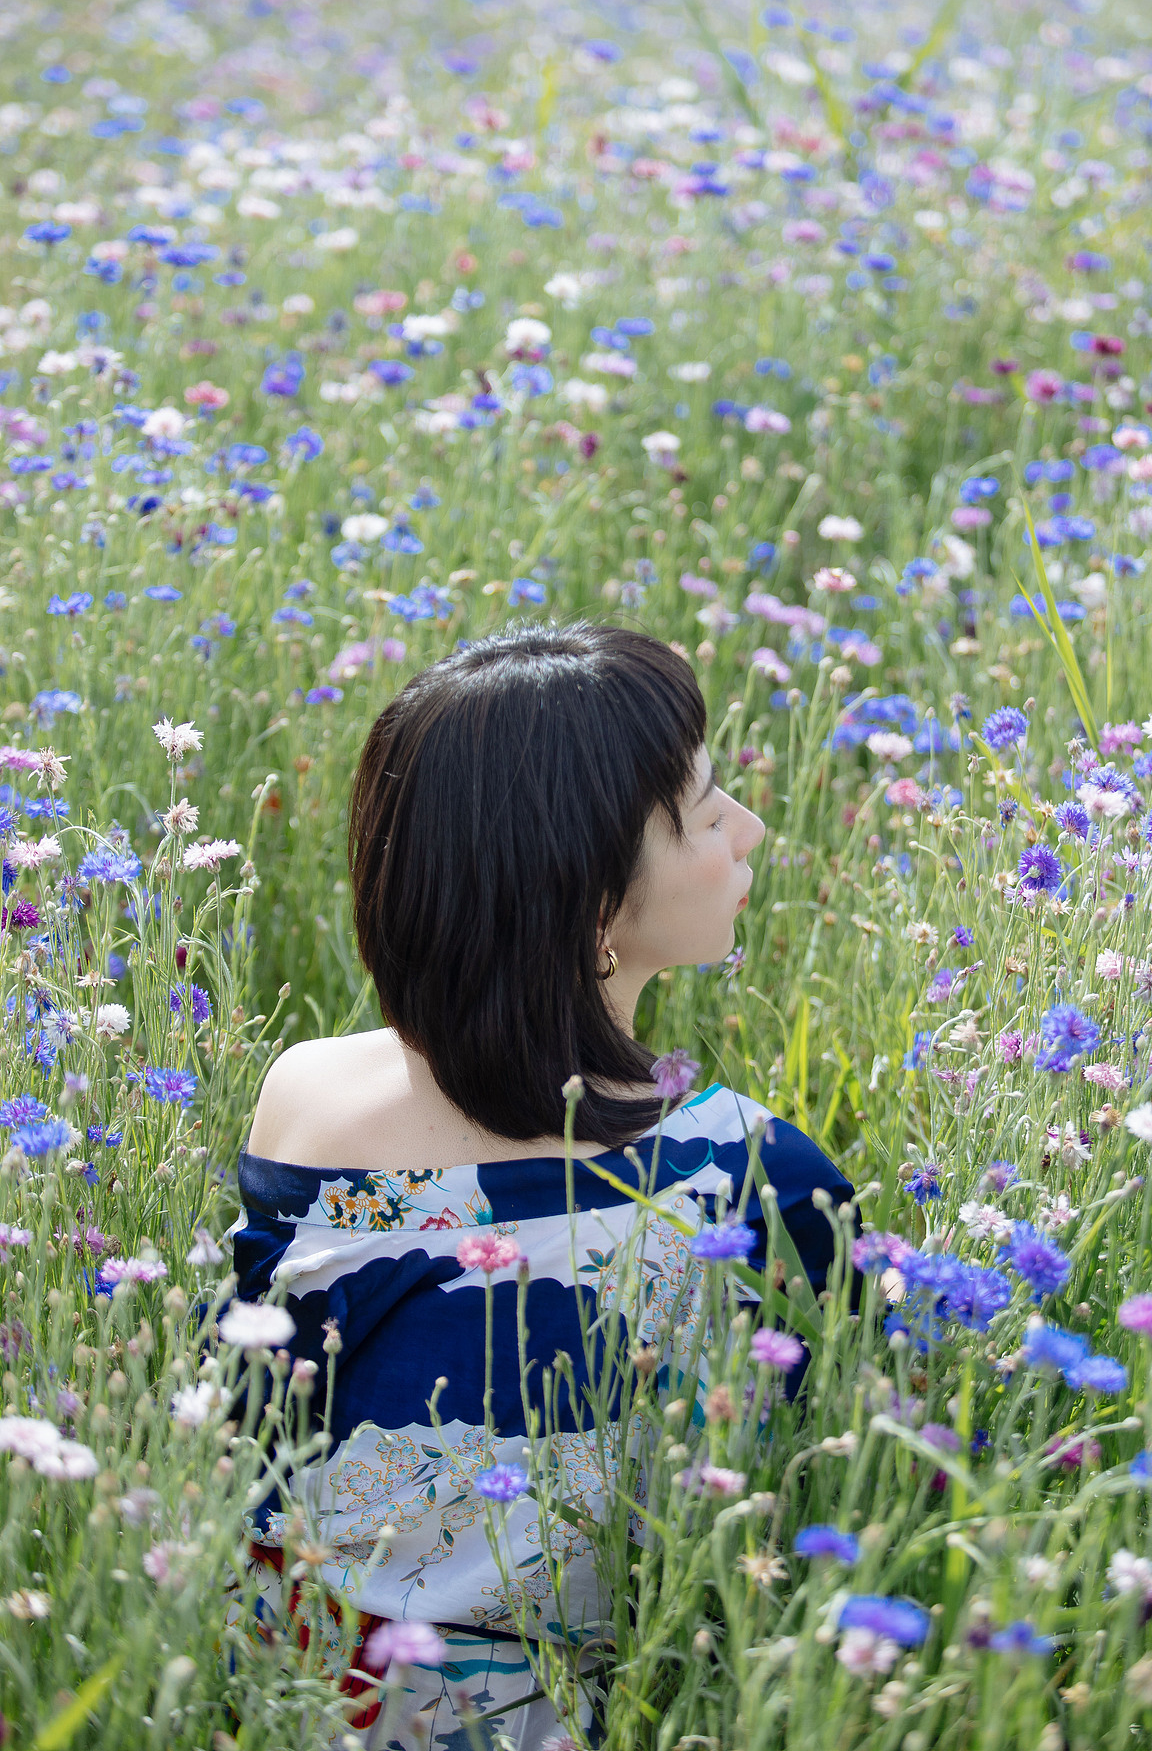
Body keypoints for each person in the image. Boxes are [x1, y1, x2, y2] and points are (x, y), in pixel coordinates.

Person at [226, 619, 858, 1749]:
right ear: (592, 907)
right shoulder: (743, 1176)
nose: (748, 829)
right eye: (707, 813)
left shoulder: (307, 1101)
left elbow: (260, 1424)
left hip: (291, 1689)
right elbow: (832, 1474)